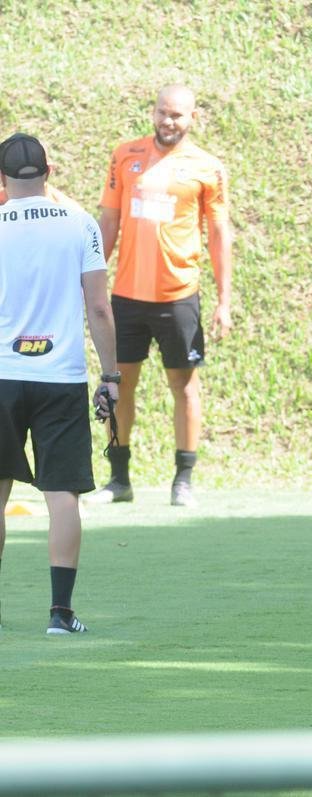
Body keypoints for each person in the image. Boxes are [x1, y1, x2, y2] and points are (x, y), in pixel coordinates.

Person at [90, 84, 233, 508]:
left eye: (177, 115)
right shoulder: (125, 155)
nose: (169, 121)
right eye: (163, 112)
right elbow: (109, 222)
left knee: (184, 387)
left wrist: (224, 301)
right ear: (153, 112)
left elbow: (219, 234)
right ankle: (119, 479)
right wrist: (90, 278)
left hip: (178, 296)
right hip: (127, 297)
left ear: (193, 118)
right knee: (118, 385)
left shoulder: (208, 167)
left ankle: (183, 480)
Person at [0, 133, 119, 634]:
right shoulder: (80, 223)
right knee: (62, 493)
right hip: (60, 376)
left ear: (2, 178)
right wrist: (110, 376)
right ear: (49, 172)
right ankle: (60, 614)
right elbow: (98, 307)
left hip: (3, 375)